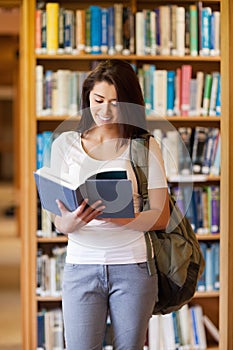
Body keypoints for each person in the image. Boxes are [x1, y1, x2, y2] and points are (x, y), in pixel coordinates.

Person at [52, 59, 170, 350]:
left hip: (133, 268)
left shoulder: (144, 145)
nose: (105, 111)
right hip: (80, 266)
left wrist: (119, 218)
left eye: (116, 102)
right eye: (98, 100)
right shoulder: (64, 145)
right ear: (87, 98)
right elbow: (58, 220)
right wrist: (72, 221)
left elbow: (162, 216)